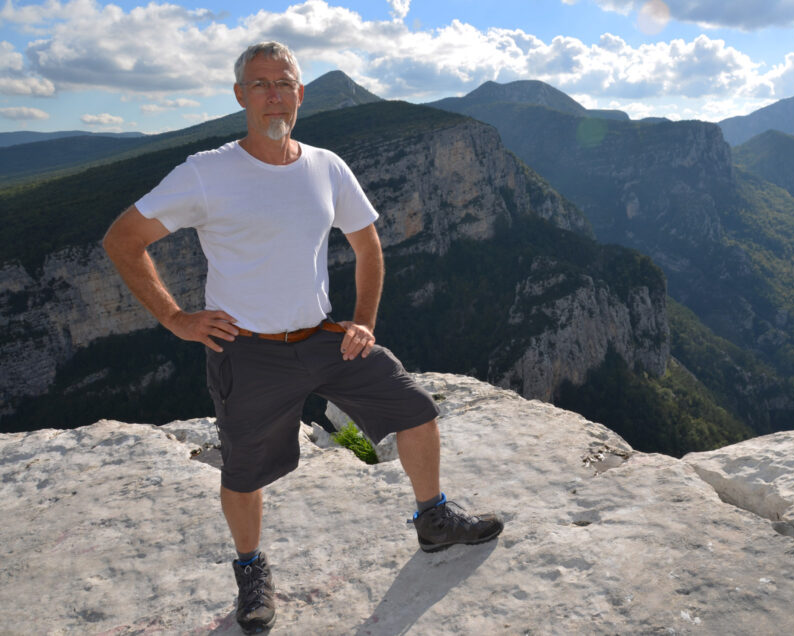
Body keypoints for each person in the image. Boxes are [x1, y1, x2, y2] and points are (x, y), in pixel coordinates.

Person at [102, 41, 503, 635]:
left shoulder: (326, 166)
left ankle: (434, 519)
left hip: (323, 338)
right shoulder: (207, 173)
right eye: (260, 84)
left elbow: (367, 245)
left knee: (415, 408)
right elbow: (122, 239)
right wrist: (176, 318)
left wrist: (363, 321)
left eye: (283, 83)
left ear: (300, 94)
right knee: (243, 471)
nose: (273, 95)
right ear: (239, 95)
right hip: (247, 350)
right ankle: (251, 569)